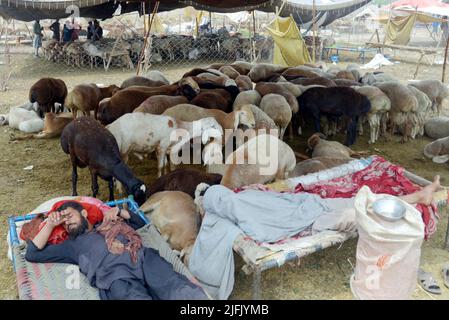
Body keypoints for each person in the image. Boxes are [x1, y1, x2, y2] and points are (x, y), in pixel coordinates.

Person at [25, 200, 208, 300]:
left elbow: (141, 226)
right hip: (116, 276)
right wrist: (50, 224)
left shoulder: (109, 222)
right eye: (63, 222)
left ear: (84, 213)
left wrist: (120, 212)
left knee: (178, 288)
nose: (67, 222)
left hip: (143, 259)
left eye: (70, 216)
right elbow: (32, 253)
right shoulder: (70, 246)